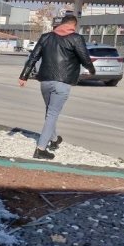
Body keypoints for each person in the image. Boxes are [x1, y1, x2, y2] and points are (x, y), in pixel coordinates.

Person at [19, 14, 95, 160]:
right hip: (63, 82)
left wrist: (24, 76)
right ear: (74, 25)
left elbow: (33, 57)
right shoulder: (76, 38)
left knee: (50, 112)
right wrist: (91, 70)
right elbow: (85, 58)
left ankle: (54, 140)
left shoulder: (46, 37)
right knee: (52, 114)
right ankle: (40, 149)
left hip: (45, 82)